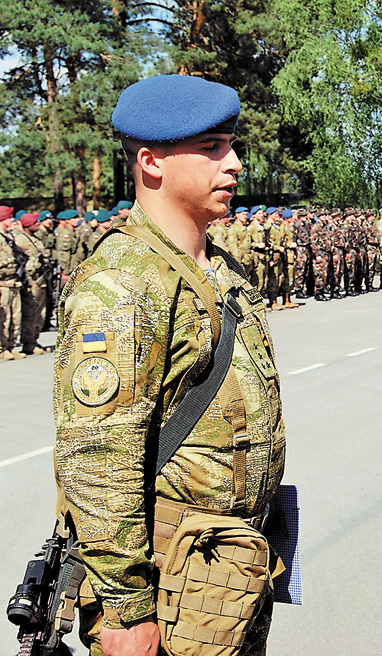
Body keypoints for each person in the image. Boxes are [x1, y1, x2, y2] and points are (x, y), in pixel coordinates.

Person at [54, 74, 285, 656]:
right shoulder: (124, 285)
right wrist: (128, 613)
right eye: (211, 148)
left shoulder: (219, 267)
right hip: (163, 593)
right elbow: (99, 459)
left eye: (231, 144)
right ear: (152, 163)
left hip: (221, 582)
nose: (233, 163)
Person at [12, 212, 51, 354]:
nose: (38, 225)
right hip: (31, 279)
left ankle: (34, 340)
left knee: (41, 311)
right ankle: (28, 342)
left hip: (40, 279)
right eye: (35, 223)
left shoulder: (33, 238)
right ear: (28, 224)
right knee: (31, 311)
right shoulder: (21, 239)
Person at [0, 205, 25, 360]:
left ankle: (10, 345)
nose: (12, 220)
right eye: (9, 218)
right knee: (4, 318)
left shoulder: (8, 237)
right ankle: (2, 349)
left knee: (16, 317)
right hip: (3, 283)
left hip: (14, 282)